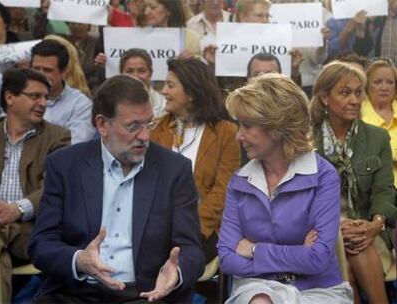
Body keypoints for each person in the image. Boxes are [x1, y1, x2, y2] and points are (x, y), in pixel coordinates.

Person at [29, 75, 205, 303]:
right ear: (102, 124)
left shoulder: (174, 169)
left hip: (145, 294)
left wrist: (177, 272)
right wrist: (79, 260)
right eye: (133, 126)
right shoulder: (65, 165)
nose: (144, 136)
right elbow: (41, 244)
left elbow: (191, 248)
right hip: (75, 292)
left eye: (149, 124)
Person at [218, 73, 353, 304]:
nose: (238, 135)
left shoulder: (323, 176)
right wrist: (299, 255)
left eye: (247, 125)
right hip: (256, 286)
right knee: (261, 301)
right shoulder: (239, 182)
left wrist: (254, 251)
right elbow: (228, 259)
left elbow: (318, 259)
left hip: (318, 289)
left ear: (278, 127)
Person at [311, 60, 397, 304]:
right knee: (344, 254)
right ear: (325, 98)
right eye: (345, 93)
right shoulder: (306, 138)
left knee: (355, 245)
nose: (355, 100)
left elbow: (384, 192)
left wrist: (375, 224)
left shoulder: (376, 137)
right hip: (319, 231)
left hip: (369, 228)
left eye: (359, 93)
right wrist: (335, 228)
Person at [0, 67, 70, 303]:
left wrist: (17, 209)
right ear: (10, 97)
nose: (42, 103)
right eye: (35, 96)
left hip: (31, 227)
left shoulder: (57, 137)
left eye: (45, 97)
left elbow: (55, 188)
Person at [151, 58, 240, 264]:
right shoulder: (156, 130)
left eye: (170, 85)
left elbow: (223, 191)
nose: (164, 91)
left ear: (191, 93)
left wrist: (191, 230)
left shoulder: (227, 132)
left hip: (203, 231)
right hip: (158, 227)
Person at [30, 39, 96, 144]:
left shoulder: (80, 105)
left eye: (47, 70)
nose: (40, 75)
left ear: (63, 72)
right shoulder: (18, 98)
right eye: (36, 69)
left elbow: (73, 147)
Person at [361, 58, 397, 187]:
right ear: (366, 85)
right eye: (377, 82)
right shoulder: (356, 114)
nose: (384, 87)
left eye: (390, 82)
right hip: (369, 187)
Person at [119, 48, 166, 118]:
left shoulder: (164, 104)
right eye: (129, 71)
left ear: (150, 73)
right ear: (121, 73)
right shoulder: (112, 103)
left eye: (141, 71)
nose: (135, 77)